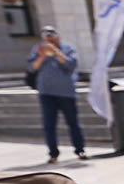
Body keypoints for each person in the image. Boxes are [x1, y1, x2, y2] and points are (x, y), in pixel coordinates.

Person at [27, 25, 86, 163]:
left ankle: (80, 149)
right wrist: (41, 56)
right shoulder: (38, 49)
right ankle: (53, 153)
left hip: (66, 92)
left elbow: (71, 65)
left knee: (73, 122)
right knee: (49, 125)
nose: (49, 38)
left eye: (51, 35)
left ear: (57, 36)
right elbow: (31, 68)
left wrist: (56, 52)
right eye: (46, 36)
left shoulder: (67, 48)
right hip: (46, 92)